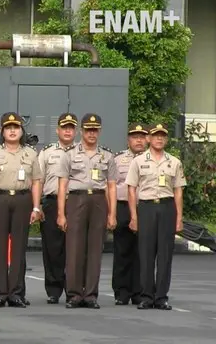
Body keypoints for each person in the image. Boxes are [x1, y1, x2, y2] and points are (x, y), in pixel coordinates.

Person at [0, 112, 42, 308]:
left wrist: (36, 206)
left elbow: (37, 181)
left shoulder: (30, 153)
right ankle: (0, 293)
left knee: (18, 249)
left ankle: (15, 293)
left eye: (16, 127)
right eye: (8, 128)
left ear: (22, 130)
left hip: (23, 199)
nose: (12, 131)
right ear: (2, 131)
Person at [56, 113, 117, 309]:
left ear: (99, 132)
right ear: (81, 131)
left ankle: (90, 294)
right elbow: (62, 185)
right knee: (74, 248)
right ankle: (74, 294)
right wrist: (60, 213)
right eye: (88, 130)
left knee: (95, 249)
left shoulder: (107, 156)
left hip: (99, 199)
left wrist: (112, 213)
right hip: (76, 199)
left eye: (95, 130)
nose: (92, 134)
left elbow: (112, 186)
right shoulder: (70, 154)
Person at [126, 123, 185, 310]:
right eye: (155, 135)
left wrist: (179, 217)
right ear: (148, 139)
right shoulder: (138, 161)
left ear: (166, 139)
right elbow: (131, 189)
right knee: (146, 253)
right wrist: (134, 216)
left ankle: (161, 297)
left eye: (163, 135)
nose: (159, 138)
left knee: (165, 254)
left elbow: (178, 191)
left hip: (167, 207)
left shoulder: (174, 162)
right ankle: (146, 296)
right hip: (146, 207)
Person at [36, 113, 77, 304]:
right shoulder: (47, 152)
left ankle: (74, 289)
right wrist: (37, 206)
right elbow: (38, 180)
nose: (68, 131)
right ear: (57, 130)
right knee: (53, 248)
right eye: (64, 127)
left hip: (75, 202)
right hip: (52, 202)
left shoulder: (81, 152)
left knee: (75, 249)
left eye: (71, 127)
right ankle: (53, 290)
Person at [112, 123, 148, 306]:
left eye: (142, 136)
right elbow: (110, 185)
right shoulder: (118, 159)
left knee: (142, 251)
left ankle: (139, 291)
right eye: (135, 137)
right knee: (122, 250)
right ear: (128, 140)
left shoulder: (152, 160)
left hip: (145, 207)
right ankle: (121, 291)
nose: (139, 140)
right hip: (123, 206)